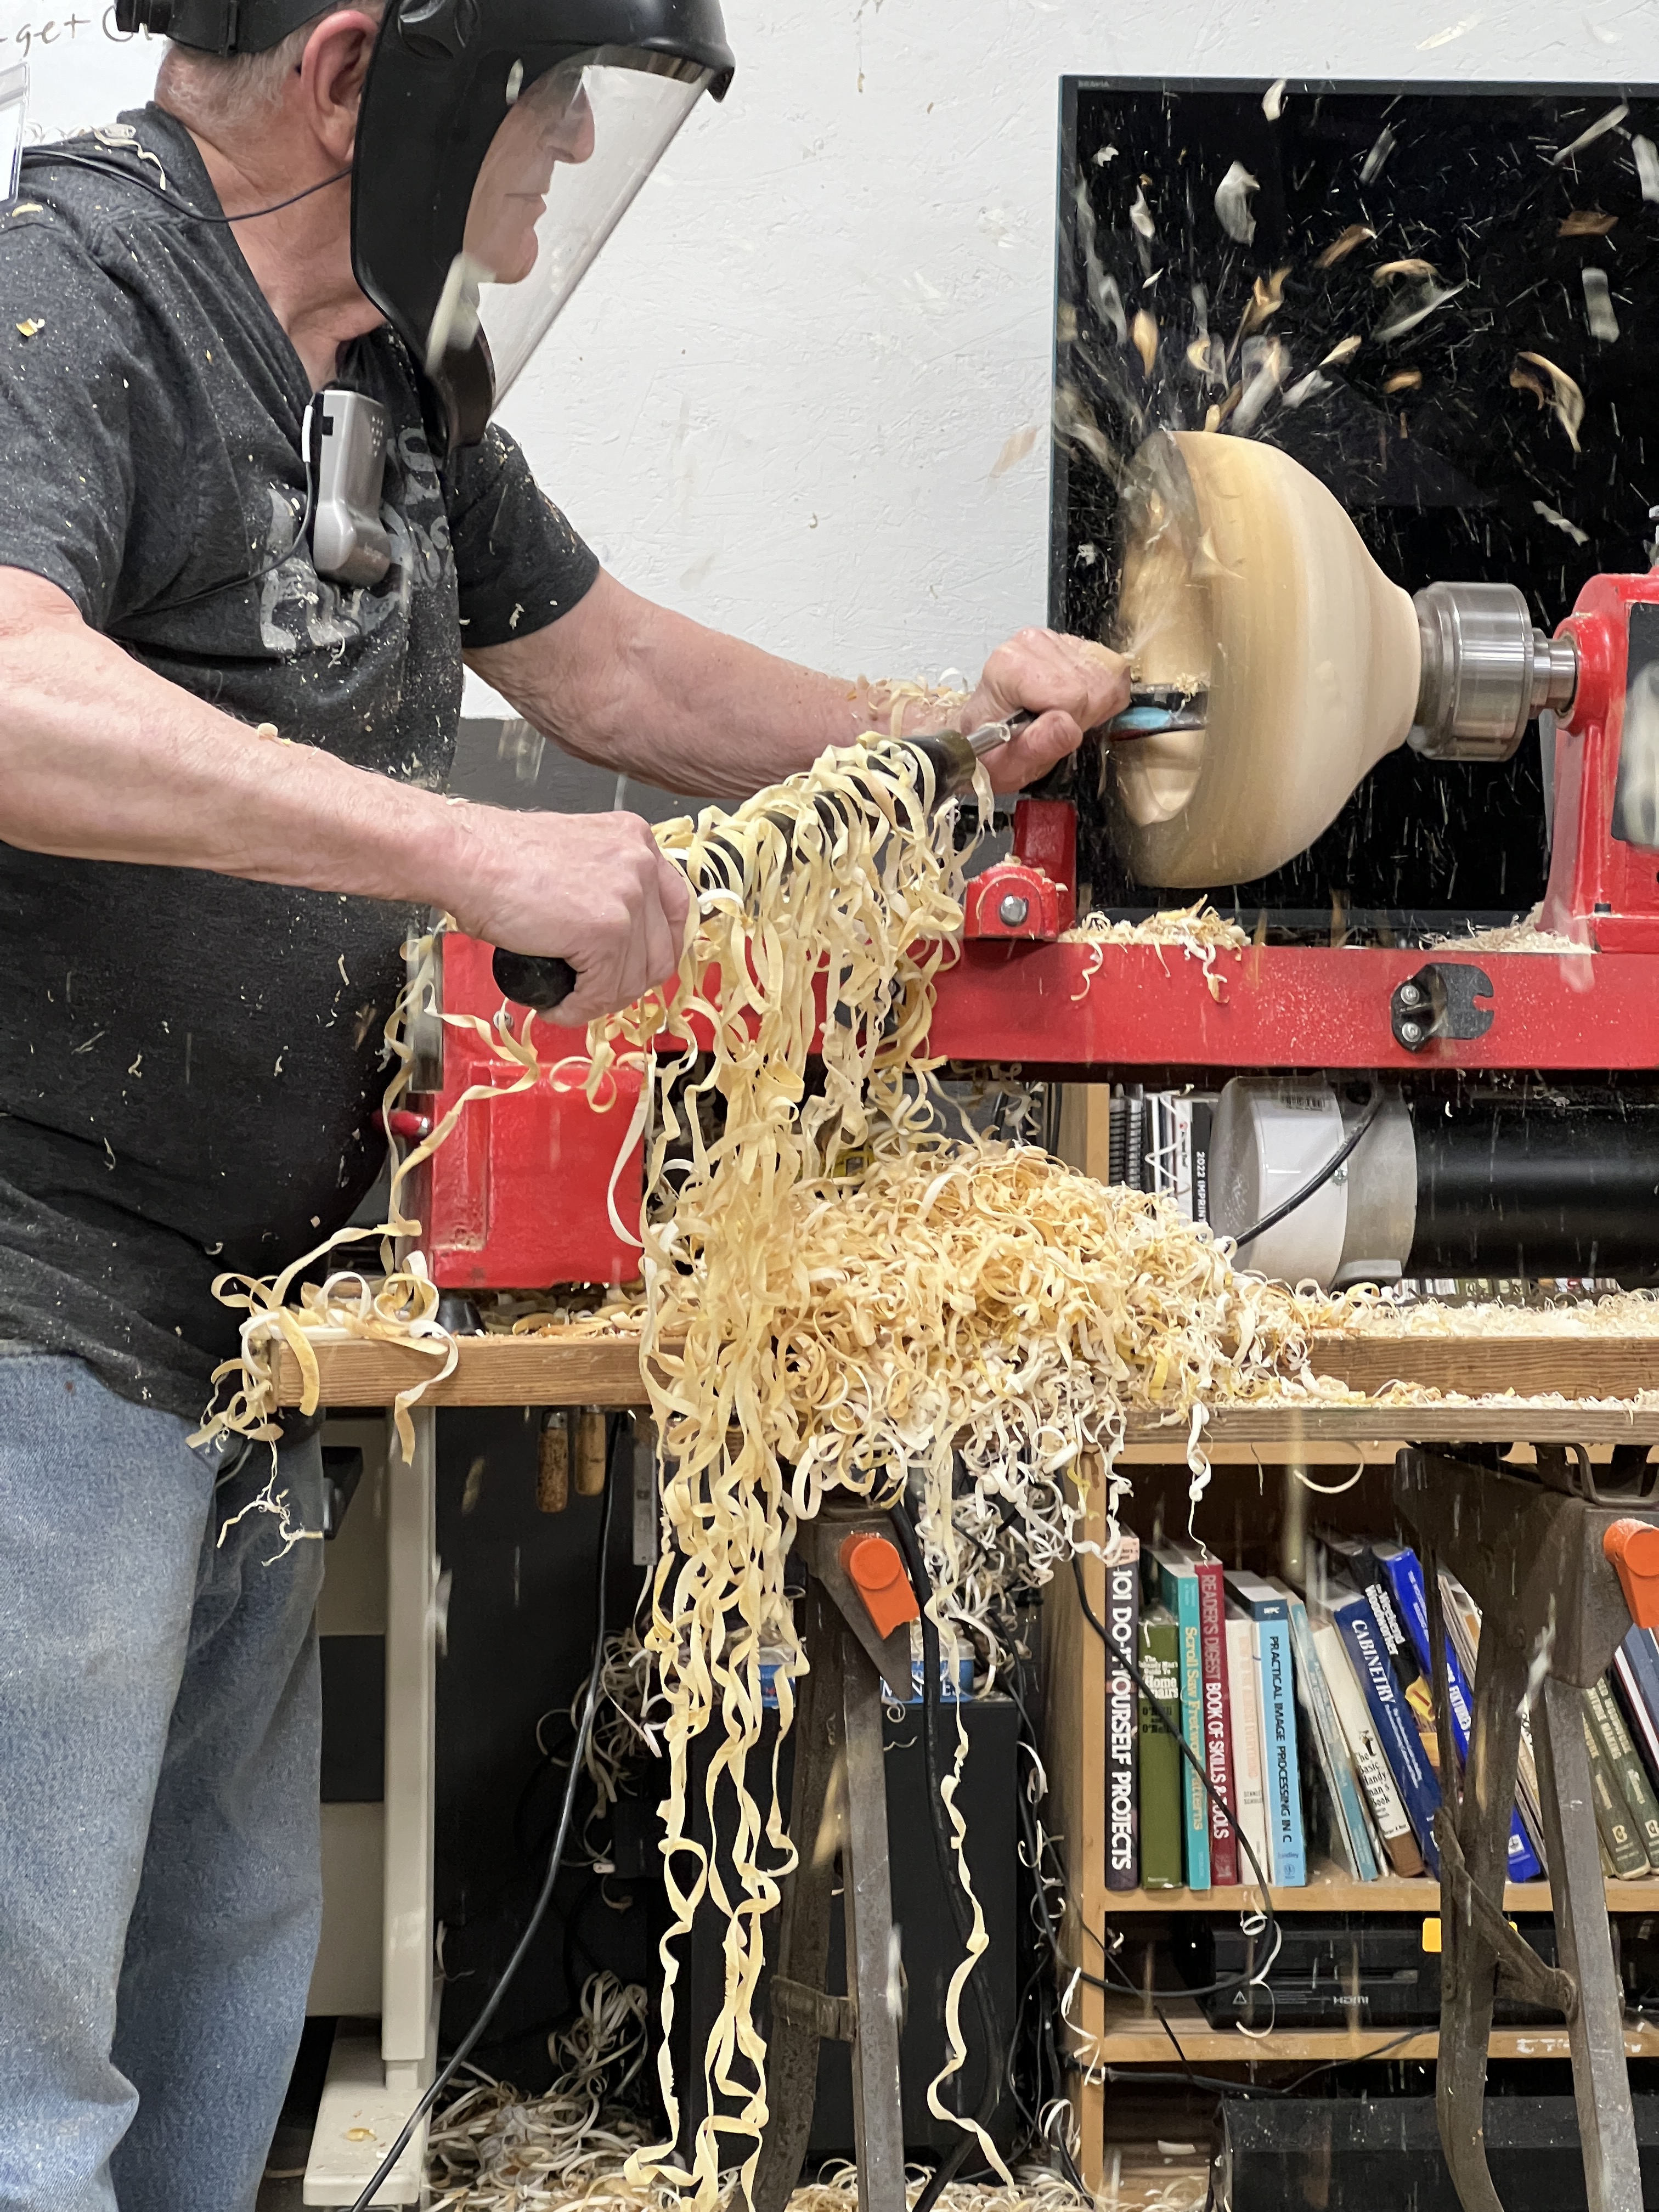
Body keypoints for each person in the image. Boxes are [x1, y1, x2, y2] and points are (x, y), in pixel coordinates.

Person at [0, 1, 1131, 2204]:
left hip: (252, 1317)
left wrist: (947, 740)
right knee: (27, 2039)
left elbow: (613, 672)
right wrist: (465, 850)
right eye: (552, 87)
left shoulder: (377, 376)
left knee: (214, 1958)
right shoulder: (74, 300)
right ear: (359, 77)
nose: (582, 137)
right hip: (37, 1306)